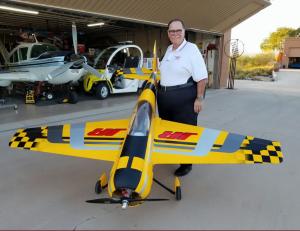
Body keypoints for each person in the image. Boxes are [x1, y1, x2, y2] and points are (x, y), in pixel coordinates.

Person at [158, 18, 208, 177]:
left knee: (184, 133)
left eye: (178, 30)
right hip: (165, 98)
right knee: (169, 131)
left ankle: (186, 164)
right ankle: (173, 155)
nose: (175, 34)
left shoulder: (191, 49)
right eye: (172, 31)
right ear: (168, 34)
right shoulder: (168, 49)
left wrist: (199, 98)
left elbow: (202, 77)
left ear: (184, 32)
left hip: (184, 98)